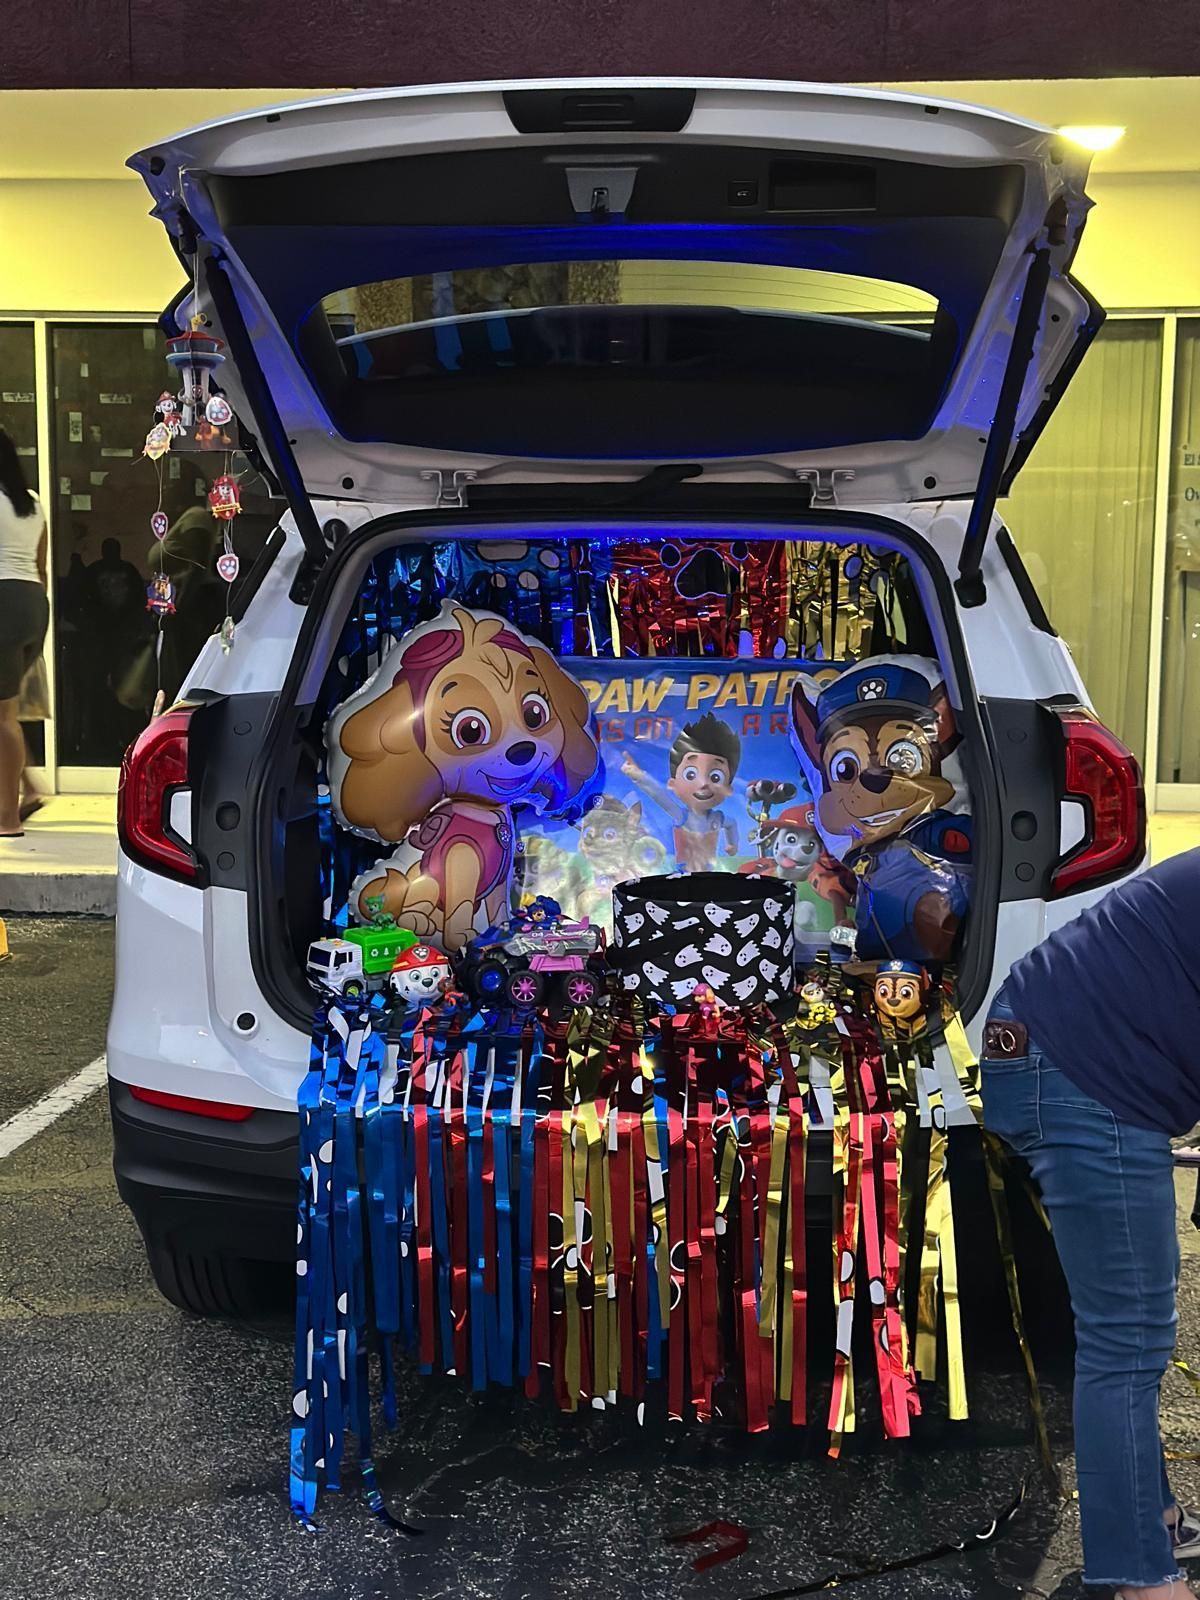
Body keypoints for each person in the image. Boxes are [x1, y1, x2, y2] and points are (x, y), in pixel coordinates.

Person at [981, 849, 1200, 1599]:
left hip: (1064, 1055)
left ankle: (1153, 1518)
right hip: (1081, 1071)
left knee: (1128, 1330)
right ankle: (1140, 1577)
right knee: (1127, 1337)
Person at [0, 428, 48, 837]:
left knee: (3, 717)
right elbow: (41, 566)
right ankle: (28, 787)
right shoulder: (32, 502)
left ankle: (8, 818)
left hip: (3, 602)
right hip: (32, 605)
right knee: (5, 711)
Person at [620, 712, 741, 872]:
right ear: (673, 783)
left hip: (709, 875)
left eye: (715, 777)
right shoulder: (682, 816)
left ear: (728, 789)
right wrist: (640, 777)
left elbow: (732, 824)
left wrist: (732, 844)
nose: (703, 784)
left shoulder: (718, 818)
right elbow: (659, 796)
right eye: (691, 774)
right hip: (683, 875)